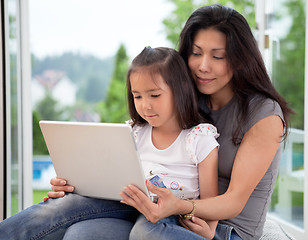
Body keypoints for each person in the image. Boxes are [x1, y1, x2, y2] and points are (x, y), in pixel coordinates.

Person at [0, 47, 219, 240]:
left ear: (180, 88)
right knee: (65, 205)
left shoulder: (199, 137)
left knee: (146, 232)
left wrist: (209, 229)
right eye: (137, 97)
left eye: (154, 95)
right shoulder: (133, 131)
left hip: (170, 213)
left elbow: (212, 201)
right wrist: (72, 184)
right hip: (126, 203)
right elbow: (106, 173)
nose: (146, 106)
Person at [120, 4, 293, 240]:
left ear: (239, 59)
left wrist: (183, 207)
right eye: (196, 53)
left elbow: (234, 201)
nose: (203, 66)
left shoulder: (264, 114)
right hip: (167, 214)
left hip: (226, 230)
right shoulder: (185, 98)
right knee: (84, 231)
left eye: (217, 56)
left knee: (146, 234)